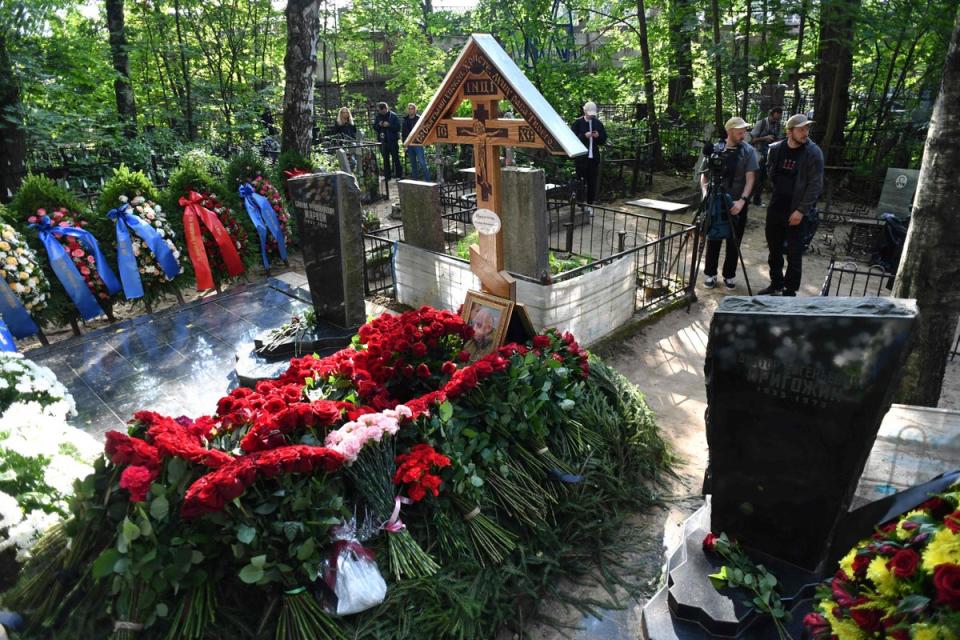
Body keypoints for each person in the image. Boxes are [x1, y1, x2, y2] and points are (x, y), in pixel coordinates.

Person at [757, 114, 824, 297]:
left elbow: (815, 185)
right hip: (776, 207)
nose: (805, 133)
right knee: (774, 249)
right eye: (801, 129)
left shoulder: (813, 152)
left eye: (807, 129)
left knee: (794, 253)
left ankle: (790, 290)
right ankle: (776, 283)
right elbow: (771, 173)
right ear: (790, 131)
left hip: (797, 211)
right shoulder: (776, 149)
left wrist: (801, 211)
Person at [701, 117, 759, 290]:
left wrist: (742, 201)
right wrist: (705, 195)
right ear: (730, 131)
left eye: (744, 130)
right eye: (740, 131)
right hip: (716, 201)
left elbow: (751, 178)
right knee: (714, 237)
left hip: (737, 202)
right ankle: (710, 274)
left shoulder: (748, 151)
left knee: (734, 240)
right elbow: (704, 175)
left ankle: (729, 275)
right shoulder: (715, 149)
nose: (744, 134)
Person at [570, 101, 607, 214]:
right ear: (584, 110)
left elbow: (603, 140)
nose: (591, 115)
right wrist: (583, 136)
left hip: (593, 159)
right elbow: (571, 139)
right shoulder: (577, 123)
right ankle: (581, 205)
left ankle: (590, 205)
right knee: (580, 181)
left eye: (593, 113)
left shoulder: (598, 123)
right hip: (581, 159)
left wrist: (598, 136)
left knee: (592, 182)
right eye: (589, 113)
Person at [748, 106, 783, 205]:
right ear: (771, 114)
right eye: (775, 118)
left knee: (763, 178)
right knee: (756, 177)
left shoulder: (778, 125)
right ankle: (749, 198)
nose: (776, 120)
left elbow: (779, 139)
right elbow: (751, 140)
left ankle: (757, 199)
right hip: (758, 155)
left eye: (778, 118)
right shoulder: (761, 124)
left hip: (770, 156)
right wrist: (764, 138)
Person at [373, 102, 402, 180]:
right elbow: (374, 127)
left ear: (385, 109)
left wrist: (389, 125)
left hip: (392, 141)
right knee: (385, 160)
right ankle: (387, 176)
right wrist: (379, 125)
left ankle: (399, 175)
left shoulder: (393, 116)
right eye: (379, 111)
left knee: (396, 158)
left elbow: (398, 128)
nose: (380, 112)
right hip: (383, 141)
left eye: (381, 110)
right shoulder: (378, 117)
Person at [402, 103, 428, 181]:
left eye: (412, 108)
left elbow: (424, 130)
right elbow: (403, 134)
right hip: (409, 144)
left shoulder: (419, 119)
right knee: (413, 164)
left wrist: (423, 141)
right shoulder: (405, 120)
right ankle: (415, 180)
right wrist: (405, 145)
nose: (410, 110)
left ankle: (427, 180)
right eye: (409, 108)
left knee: (422, 162)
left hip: (418, 143)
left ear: (415, 109)